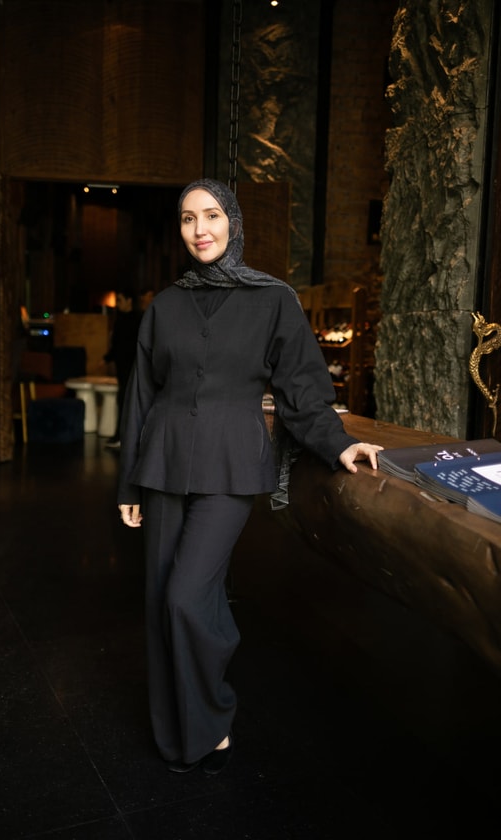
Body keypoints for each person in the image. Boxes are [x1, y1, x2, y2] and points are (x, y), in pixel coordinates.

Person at [117, 178, 382, 776]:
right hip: (161, 464)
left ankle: (212, 714)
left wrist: (339, 445)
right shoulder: (164, 306)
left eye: (211, 215)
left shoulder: (272, 300)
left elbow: (303, 390)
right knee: (161, 600)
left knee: (187, 596)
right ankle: (176, 734)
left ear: (233, 222)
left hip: (230, 467)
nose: (200, 229)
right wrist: (128, 484)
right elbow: (140, 398)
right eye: (188, 218)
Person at [104, 286, 154, 448]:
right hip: (123, 368)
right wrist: (107, 358)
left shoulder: (137, 320)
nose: (117, 304)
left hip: (132, 368)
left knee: (128, 401)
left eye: (120, 300)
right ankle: (121, 435)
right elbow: (117, 345)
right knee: (123, 400)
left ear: (129, 301)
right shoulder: (122, 320)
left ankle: (124, 436)